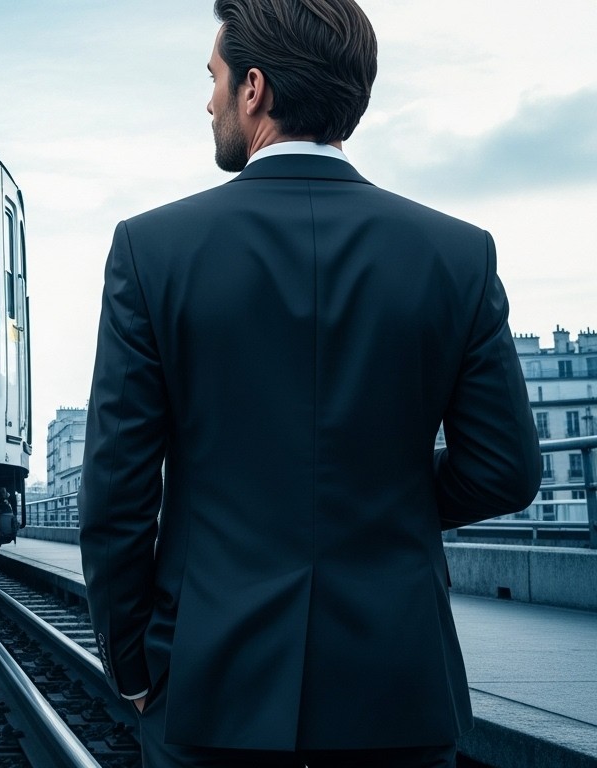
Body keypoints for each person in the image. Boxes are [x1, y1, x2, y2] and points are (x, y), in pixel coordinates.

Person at [77, 1, 542, 766]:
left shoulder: (152, 250)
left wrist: (131, 663)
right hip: (399, 685)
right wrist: (387, 489)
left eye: (214, 78)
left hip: (211, 685)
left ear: (253, 88)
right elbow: (506, 469)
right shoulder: (458, 254)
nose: (209, 101)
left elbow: (118, 487)